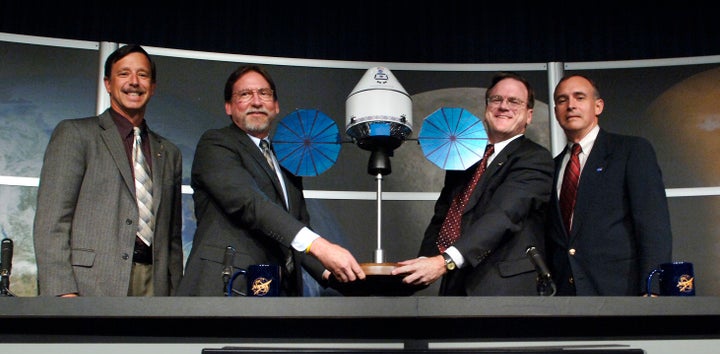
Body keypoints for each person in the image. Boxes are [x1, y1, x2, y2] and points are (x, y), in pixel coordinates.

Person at [176, 64, 365, 296]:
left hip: (277, 293)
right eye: (245, 94)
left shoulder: (286, 161)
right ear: (229, 107)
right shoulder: (216, 144)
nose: (256, 101)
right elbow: (249, 201)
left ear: (275, 106)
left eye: (264, 94)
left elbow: (296, 227)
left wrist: (332, 275)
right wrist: (320, 246)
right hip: (228, 288)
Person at [33, 44, 184, 296]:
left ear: (153, 86)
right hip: (90, 284)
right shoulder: (76, 134)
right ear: (108, 84)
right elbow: (52, 222)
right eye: (124, 74)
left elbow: (173, 240)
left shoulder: (169, 152)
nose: (134, 82)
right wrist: (62, 292)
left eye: (142, 75)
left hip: (155, 288)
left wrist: (175, 295)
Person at [392, 72, 554, 295]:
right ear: (487, 108)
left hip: (504, 291)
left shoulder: (534, 158)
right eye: (496, 99)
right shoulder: (466, 160)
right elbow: (444, 218)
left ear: (529, 115)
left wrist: (444, 261)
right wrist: (422, 265)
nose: (503, 106)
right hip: (455, 287)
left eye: (514, 101)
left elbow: (503, 215)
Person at [545, 74, 672, 295]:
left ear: (598, 106)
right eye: (562, 100)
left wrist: (653, 289)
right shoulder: (552, 168)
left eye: (580, 97)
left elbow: (653, 225)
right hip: (565, 299)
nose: (571, 105)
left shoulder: (630, 151)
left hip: (621, 293)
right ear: (556, 112)